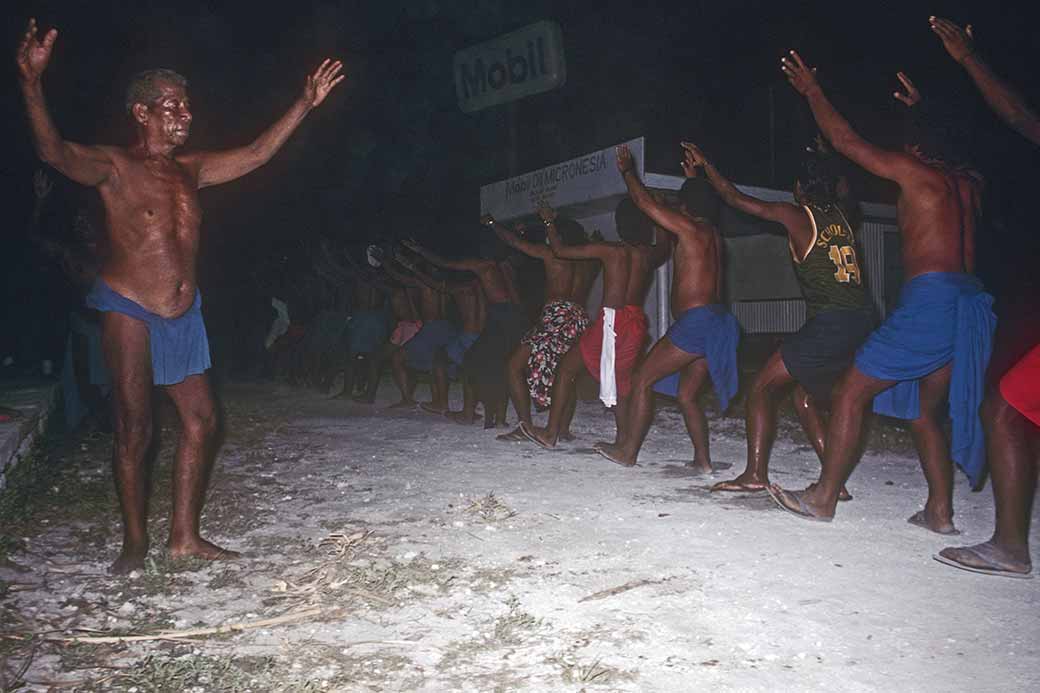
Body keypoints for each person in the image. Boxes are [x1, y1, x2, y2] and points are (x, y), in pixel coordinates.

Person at [17, 18, 344, 573]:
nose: (186, 115)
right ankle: (135, 543)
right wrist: (30, 81)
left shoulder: (193, 170)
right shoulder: (113, 166)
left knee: (201, 421)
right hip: (129, 306)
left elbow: (260, 153)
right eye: (172, 106)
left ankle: (183, 537)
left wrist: (305, 102)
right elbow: (53, 152)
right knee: (135, 427)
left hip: (182, 312)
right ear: (141, 113)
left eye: (187, 106)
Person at [767, 49, 995, 534]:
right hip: (968, 302)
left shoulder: (918, 176)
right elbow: (946, 134)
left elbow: (845, 141)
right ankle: (939, 512)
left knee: (851, 391)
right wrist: (921, 111)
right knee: (923, 412)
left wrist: (812, 92)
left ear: (918, 144)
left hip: (930, 300)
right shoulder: (968, 185)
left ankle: (823, 498)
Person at [687, 141, 872, 496]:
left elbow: (735, 198)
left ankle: (755, 474)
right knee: (803, 398)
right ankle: (837, 484)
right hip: (861, 320)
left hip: (831, 322)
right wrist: (828, 159)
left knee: (760, 389)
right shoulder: (844, 215)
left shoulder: (797, 215)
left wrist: (706, 165)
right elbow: (846, 188)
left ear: (799, 188)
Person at [928, 16, 1039, 577]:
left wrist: (969, 59)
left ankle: (1011, 546)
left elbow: (1021, 117)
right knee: (1005, 403)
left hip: (944, 293)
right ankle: (1008, 544)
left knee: (1003, 405)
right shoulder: (970, 184)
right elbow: (1019, 118)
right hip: (980, 294)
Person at [593, 144, 738, 470]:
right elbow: (698, 199)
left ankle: (627, 452)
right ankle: (702, 460)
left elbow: (643, 203)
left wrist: (627, 171)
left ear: (686, 208)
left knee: (643, 379)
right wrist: (693, 177)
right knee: (687, 395)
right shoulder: (712, 233)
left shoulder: (687, 229)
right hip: (717, 320)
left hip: (697, 322)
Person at [520, 167, 671, 449]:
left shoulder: (611, 251)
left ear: (621, 224)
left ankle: (551, 433)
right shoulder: (648, 255)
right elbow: (664, 246)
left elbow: (561, 251)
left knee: (566, 369)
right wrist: (659, 214)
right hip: (636, 323)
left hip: (611, 322)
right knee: (621, 383)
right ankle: (623, 442)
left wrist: (550, 224)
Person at [487, 215, 595, 442]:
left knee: (514, 365)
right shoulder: (589, 260)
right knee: (566, 372)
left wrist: (492, 224)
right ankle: (562, 428)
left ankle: (525, 425)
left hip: (557, 317)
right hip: (578, 319)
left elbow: (514, 243)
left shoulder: (552, 254)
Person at [403, 234, 525, 428]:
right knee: (498, 368)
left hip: (499, 320)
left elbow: (446, 264)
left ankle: (468, 414)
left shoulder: (481, 269)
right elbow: (517, 300)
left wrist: (418, 253)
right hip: (512, 319)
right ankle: (499, 420)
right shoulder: (506, 269)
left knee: (471, 365)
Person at [381, 255, 455, 409]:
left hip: (431, 329)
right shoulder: (448, 286)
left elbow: (401, 278)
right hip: (447, 328)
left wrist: (385, 263)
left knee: (397, 357)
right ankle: (438, 401)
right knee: (435, 362)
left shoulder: (426, 285)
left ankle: (407, 399)